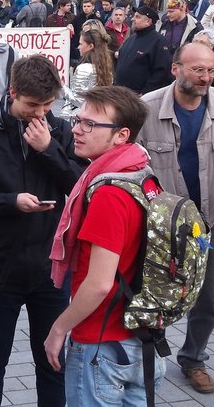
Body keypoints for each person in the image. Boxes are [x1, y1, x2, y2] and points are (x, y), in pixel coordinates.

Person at [0, 55, 85, 407]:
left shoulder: (62, 132)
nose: (40, 113)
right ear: (12, 93)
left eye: (48, 104)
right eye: (31, 105)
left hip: (50, 270)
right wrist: (10, 202)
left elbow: (80, 186)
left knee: (52, 361)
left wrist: (49, 151)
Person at [44, 85, 166, 407]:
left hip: (103, 343)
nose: (77, 130)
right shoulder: (144, 173)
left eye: (89, 124)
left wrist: (59, 328)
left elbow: (98, 284)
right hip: (142, 338)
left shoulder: (108, 194)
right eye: (77, 120)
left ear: (121, 134)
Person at [135, 42, 214, 395]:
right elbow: (129, 166)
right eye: (198, 70)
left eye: (211, 70)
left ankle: (194, 358)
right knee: (157, 295)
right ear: (176, 69)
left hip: (209, 225)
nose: (206, 77)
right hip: (161, 228)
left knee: (208, 299)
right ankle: (152, 355)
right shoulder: (147, 108)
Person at [114, 6, 173, 94]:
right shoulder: (132, 37)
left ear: (148, 21)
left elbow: (162, 72)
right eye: (134, 16)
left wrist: (145, 93)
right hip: (121, 93)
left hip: (139, 97)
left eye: (138, 17)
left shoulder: (159, 42)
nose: (133, 19)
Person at [60, 29, 115, 119]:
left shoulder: (84, 68)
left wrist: (60, 84)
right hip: (97, 116)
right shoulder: (107, 69)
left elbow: (77, 100)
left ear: (90, 46)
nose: (78, 47)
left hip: (77, 117)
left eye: (81, 44)